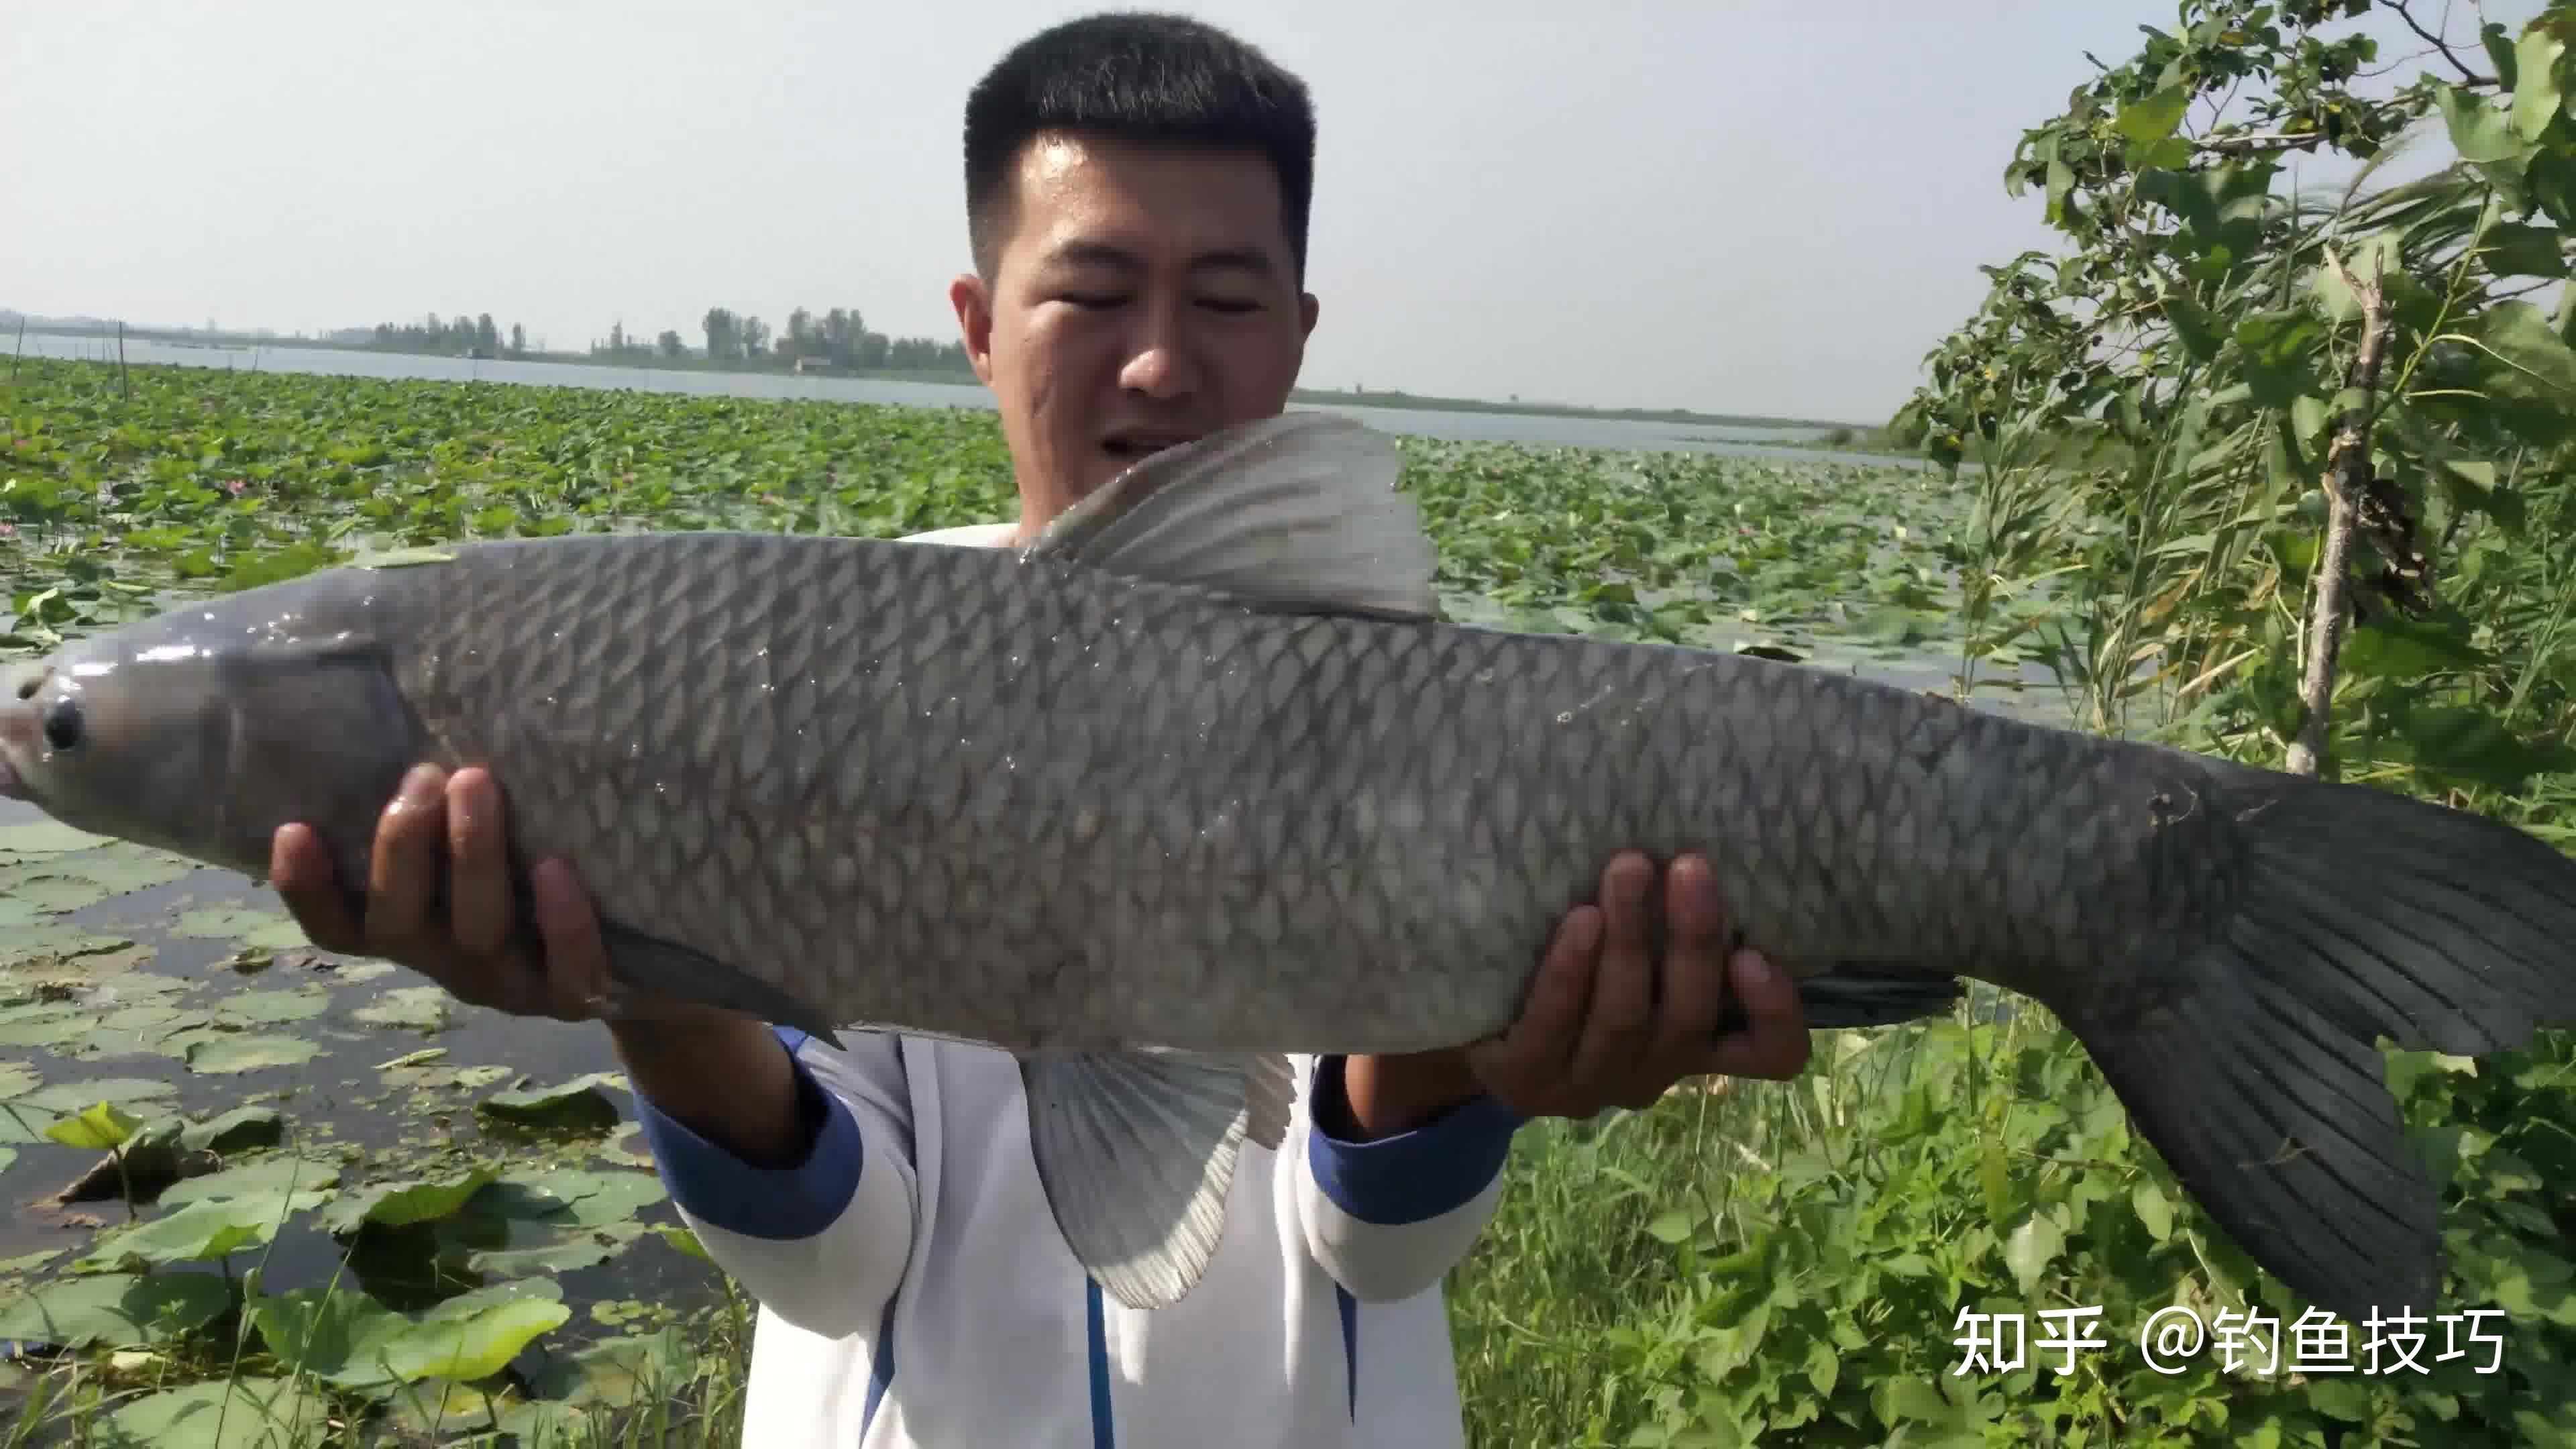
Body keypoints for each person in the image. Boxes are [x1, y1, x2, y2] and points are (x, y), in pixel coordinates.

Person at [266, 13, 1812, 1448]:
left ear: (1297, 333)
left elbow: (1373, 1244)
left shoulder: (1396, 703)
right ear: (978, 323)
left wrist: (1469, 1063)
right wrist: (643, 989)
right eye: (1089, 292)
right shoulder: (787, 673)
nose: (1158, 361)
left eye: (1223, 300)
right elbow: (836, 1267)